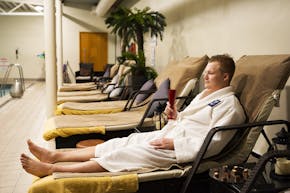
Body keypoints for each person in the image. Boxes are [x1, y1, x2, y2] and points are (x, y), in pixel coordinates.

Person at [20, 54, 246, 177]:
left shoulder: (231, 107)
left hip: (181, 151)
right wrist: (176, 116)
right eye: (205, 72)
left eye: (210, 73)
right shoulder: (205, 96)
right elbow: (192, 122)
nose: (205, 77)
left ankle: (52, 169)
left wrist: (174, 144)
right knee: (121, 142)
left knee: (127, 154)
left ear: (225, 77)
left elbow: (215, 142)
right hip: (169, 136)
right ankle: (57, 156)